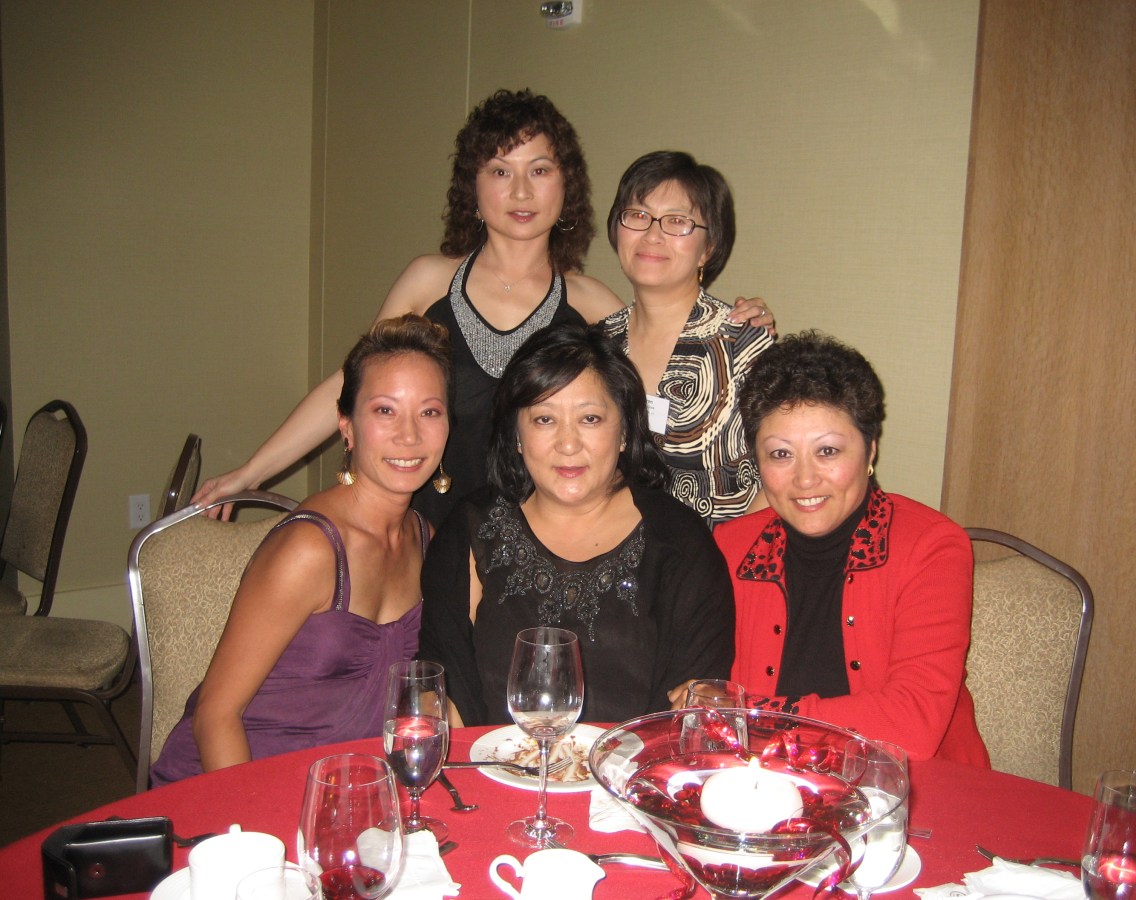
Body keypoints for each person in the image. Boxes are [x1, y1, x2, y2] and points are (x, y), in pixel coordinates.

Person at [194, 91, 770, 527]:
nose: (520, 192)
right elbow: (351, 387)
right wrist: (250, 473)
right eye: (500, 171)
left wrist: (736, 320)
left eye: (539, 170)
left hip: (543, 546)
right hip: (425, 532)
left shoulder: (594, 305)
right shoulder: (428, 282)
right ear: (473, 188)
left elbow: (658, 379)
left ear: (565, 187)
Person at [151, 315, 451, 785]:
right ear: (347, 427)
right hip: (237, 790)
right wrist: (256, 823)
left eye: (429, 412)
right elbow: (216, 715)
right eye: (385, 411)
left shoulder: (425, 538)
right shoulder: (310, 548)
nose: (409, 435)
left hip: (352, 792)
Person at [418, 322, 735, 725]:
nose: (568, 444)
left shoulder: (681, 543)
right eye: (544, 420)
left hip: (636, 766)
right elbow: (442, 692)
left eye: (590, 418)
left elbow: (692, 710)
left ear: (624, 430)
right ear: (516, 435)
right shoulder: (469, 529)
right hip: (490, 762)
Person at [710, 331, 990, 765]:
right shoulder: (730, 548)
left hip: (914, 789)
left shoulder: (931, 547)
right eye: (781, 454)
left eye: (827, 451)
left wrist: (753, 714)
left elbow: (911, 727)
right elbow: (700, 700)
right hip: (770, 785)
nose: (805, 479)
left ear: (870, 451)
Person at [602, 150, 775, 527]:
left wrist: (726, 554)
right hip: (616, 550)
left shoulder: (742, 344)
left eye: (677, 221)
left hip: (720, 551)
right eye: (638, 215)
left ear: (708, 249)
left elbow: (782, 471)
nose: (652, 235)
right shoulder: (598, 345)